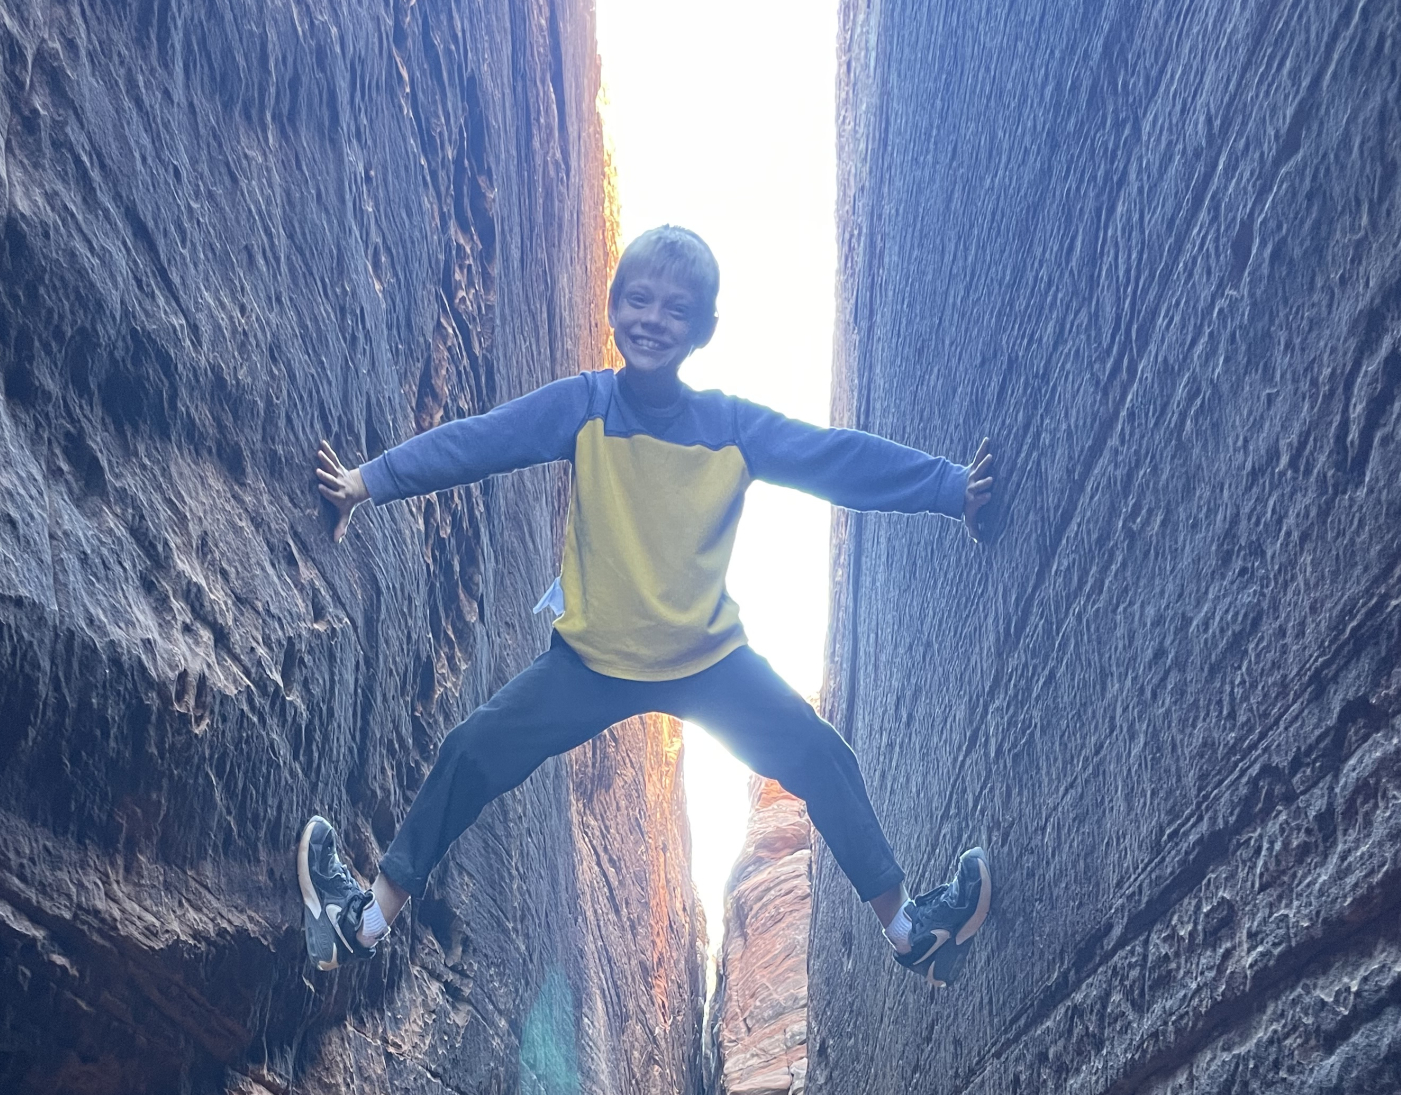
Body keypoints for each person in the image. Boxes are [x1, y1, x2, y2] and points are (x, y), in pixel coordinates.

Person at [301, 224, 994, 984]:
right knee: (471, 750)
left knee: (821, 754)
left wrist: (948, 488)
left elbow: (836, 459)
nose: (653, 320)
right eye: (638, 300)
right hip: (593, 663)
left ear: (703, 328)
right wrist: (369, 481)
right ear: (611, 306)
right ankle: (363, 923)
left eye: (676, 308)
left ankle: (910, 933)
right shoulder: (586, 405)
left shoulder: (732, 425)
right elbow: (482, 441)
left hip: (708, 661)